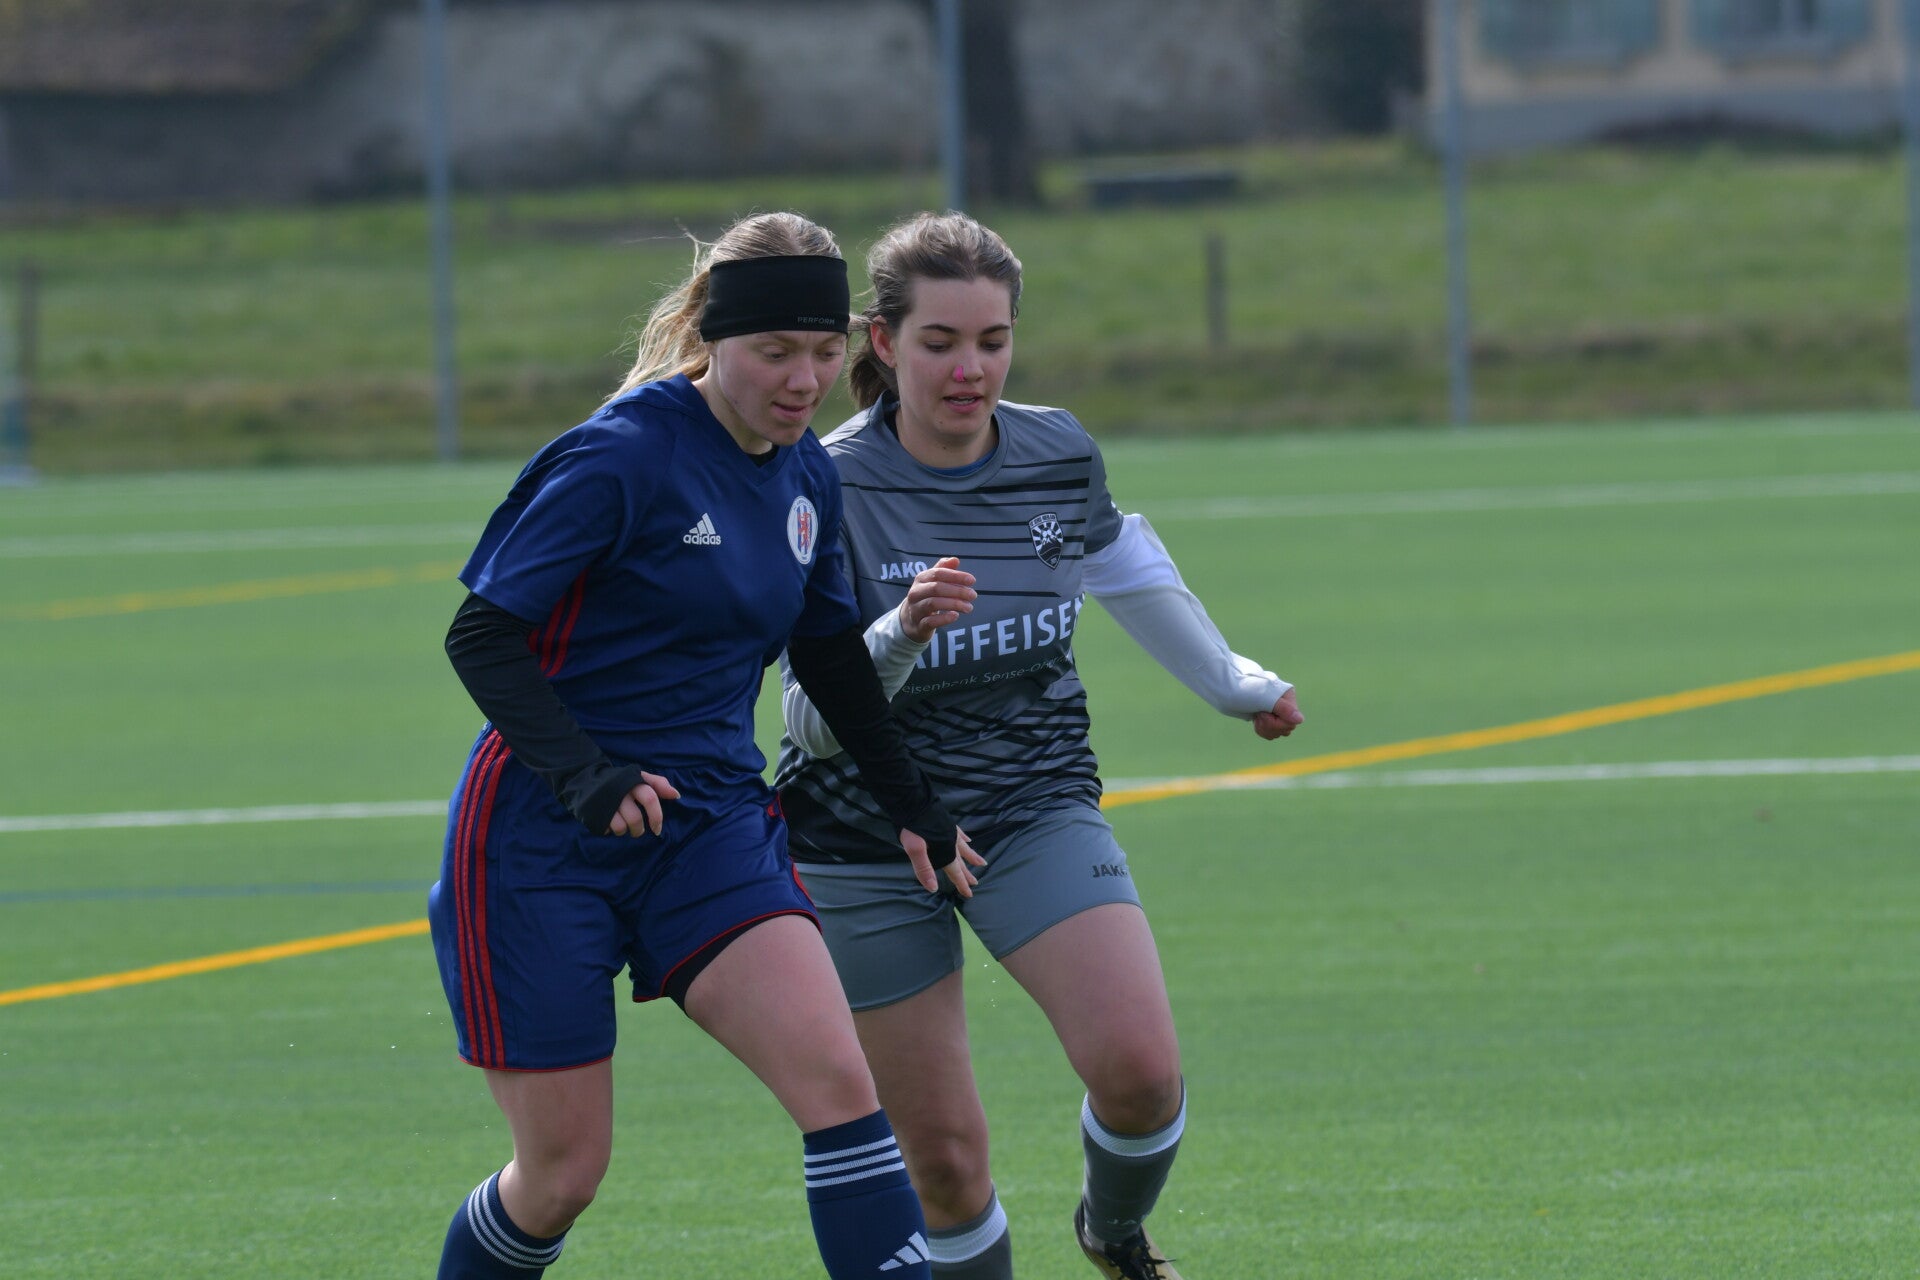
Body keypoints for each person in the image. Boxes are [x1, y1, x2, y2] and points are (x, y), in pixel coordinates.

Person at [427, 210, 985, 1280]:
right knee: (562, 1173)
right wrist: (586, 774)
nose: (803, 380)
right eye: (775, 352)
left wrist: (912, 799)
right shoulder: (621, 457)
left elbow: (828, 652)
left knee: (840, 1085)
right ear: (713, 338)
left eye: (822, 352)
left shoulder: (805, 473)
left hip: (712, 824)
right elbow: (481, 635)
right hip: (544, 836)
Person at [775, 211, 1303, 1280]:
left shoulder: (1057, 450)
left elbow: (1126, 563)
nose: (969, 368)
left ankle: (1111, 1232)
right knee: (946, 1166)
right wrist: (899, 634)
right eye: (939, 343)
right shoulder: (822, 485)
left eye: (993, 340)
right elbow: (810, 724)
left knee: (1142, 1073)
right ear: (883, 342)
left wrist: (1232, 681)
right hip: (863, 836)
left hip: (1031, 801)